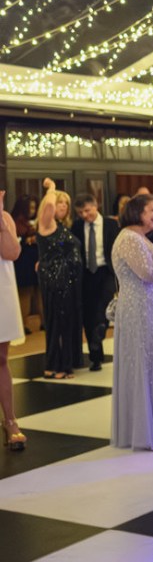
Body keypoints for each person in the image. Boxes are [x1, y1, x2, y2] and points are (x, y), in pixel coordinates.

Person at [111, 195, 153, 451]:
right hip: (139, 309)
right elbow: (149, 274)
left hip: (149, 307)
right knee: (146, 364)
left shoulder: (139, 238)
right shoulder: (129, 238)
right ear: (138, 212)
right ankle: (149, 434)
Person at [36, 180, 83, 379]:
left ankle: (62, 363)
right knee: (58, 322)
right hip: (57, 280)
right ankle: (57, 365)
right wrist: (52, 188)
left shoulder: (62, 226)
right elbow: (48, 205)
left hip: (66, 280)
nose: (62, 206)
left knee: (64, 322)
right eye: (59, 202)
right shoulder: (47, 223)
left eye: (65, 203)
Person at [72, 193, 119, 372]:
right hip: (85, 274)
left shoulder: (111, 224)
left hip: (106, 271)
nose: (85, 215)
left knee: (104, 305)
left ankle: (101, 329)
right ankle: (95, 356)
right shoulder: (77, 227)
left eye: (87, 210)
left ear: (95, 206)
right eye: (80, 213)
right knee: (89, 314)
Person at [0, 192, 26, 451]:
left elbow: (12, 252)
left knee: (1, 358)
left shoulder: (5, 217)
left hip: (1, 292)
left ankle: (10, 420)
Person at [11, 196, 40, 334]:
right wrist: (27, 239)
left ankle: (43, 321)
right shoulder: (15, 222)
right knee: (25, 293)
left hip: (35, 260)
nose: (33, 210)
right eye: (30, 207)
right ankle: (21, 324)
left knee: (39, 292)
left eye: (34, 207)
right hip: (22, 262)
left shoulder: (36, 222)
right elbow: (14, 240)